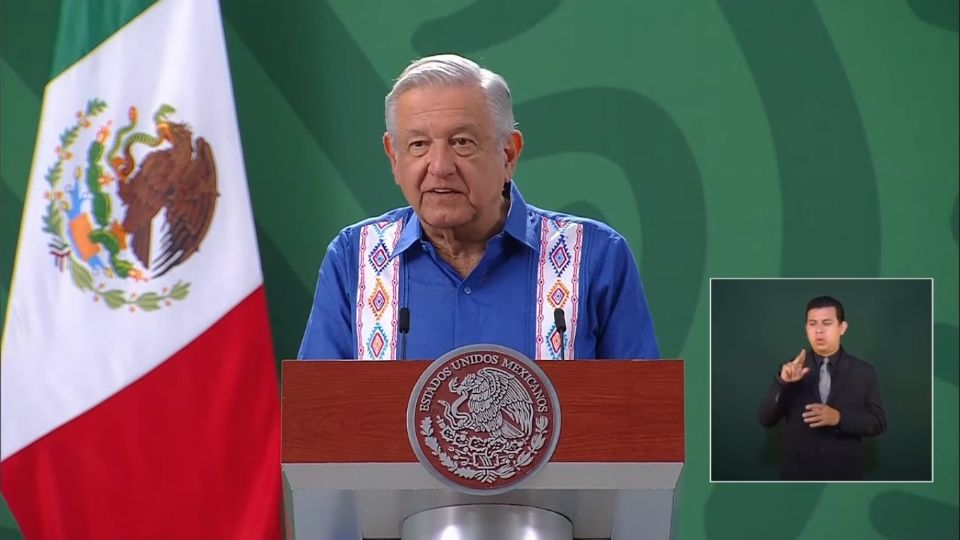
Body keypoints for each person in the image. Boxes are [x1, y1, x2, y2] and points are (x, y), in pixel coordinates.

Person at [297, 54, 659, 361]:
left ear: (509, 154)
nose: (440, 166)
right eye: (419, 145)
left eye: (462, 142)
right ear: (394, 158)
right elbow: (316, 427)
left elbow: (643, 424)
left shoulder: (595, 258)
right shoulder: (354, 260)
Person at [757, 295, 886, 480]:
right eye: (812, 324)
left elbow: (878, 422)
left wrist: (839, 418)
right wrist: (782, 382)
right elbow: (765, 419)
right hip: (796, 477)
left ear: (842, 327)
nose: (818, 331)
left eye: (826, 323)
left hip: (845, 477)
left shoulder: (864, 371)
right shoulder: (790, 370)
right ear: (806, 328)